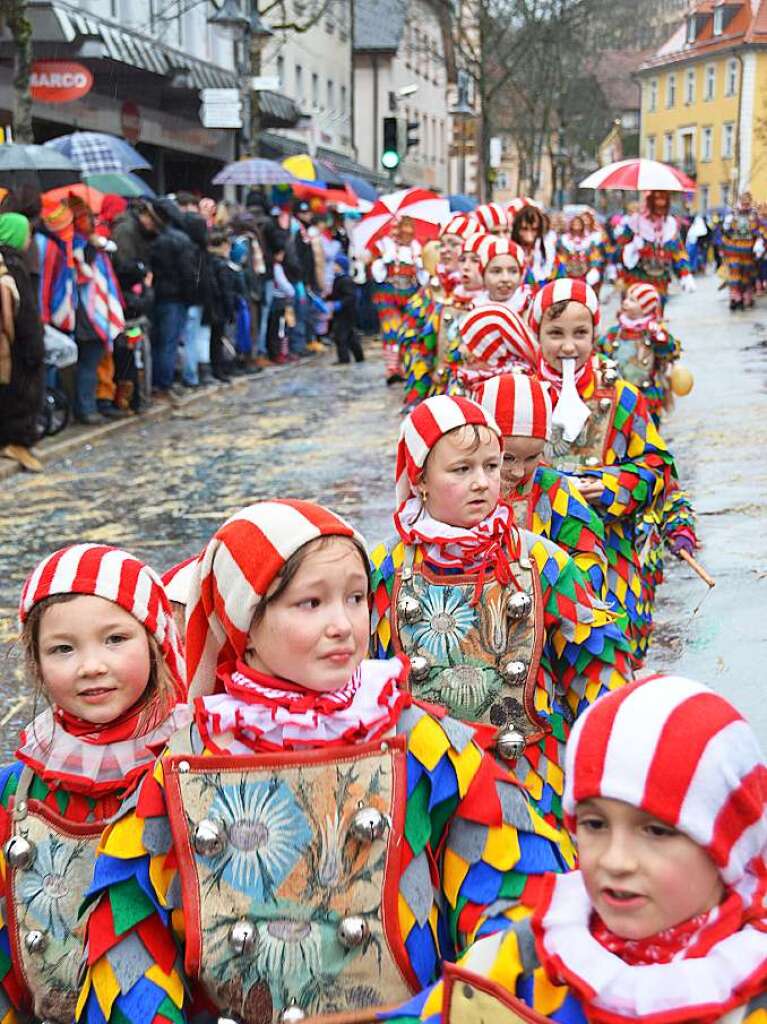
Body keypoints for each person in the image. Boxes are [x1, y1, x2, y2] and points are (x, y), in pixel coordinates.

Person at [76, 499, 569, 1024]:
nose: (343, 624)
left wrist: (458, 1005)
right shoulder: (190, 759)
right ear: (246, 625)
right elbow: (132, 925)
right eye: (310, 604)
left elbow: (509, 886)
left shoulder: (417, 737)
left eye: (355, 597)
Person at [389, 673, 767, 1024]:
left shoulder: (751, 991)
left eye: (656, 831)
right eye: (594, 824)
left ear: (728, 846)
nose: (616, 860)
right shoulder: (523, 959)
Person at [370, 395, 632, 827]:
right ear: (419, 480)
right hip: (424, 788)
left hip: (532, 778)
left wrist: (615, 755)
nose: (483, 482)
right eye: (461, 469)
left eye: (491, 466)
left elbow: (595, 667)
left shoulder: (543, 561)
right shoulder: (383, 568)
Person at [0, 543, 188, 1024]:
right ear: (36, 663)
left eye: (114, 639)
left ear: (154, 642)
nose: (90, 666)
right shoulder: (16, 793)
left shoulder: (189, 769)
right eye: (63, 648)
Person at [529, 279, 675, 665]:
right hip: (535, 557)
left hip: (613, 554)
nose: (568, 346)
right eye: (555, 333)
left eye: (581, 333)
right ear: (536, 333)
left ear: (596, 332)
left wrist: (608, 486)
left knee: (611, 661)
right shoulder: (520, 398)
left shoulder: (622, 396)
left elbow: (658, 468)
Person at [473, 371, 608, 602]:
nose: (518, 471)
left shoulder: (554, 490)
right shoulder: (458, 493)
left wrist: (559, 598)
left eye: (532, 457)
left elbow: (588, 556)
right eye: (508, 458)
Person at [398, 215, 481, 410]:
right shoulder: (432, 289)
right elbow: (410, 334)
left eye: (453, 244)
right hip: (436, 387)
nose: (444, 250)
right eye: (442, 244)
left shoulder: (485, 293)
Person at [71, 201, 126, 424]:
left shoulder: (89, 245)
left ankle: (91, 405)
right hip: (88, 314)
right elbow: (83, 276)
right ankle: (86, 408)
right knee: (89, 363)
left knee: (93, 361)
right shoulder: (80, 247)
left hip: (92, 313)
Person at [597, 282, 681, 425]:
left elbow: (669, 352)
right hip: (620, 391)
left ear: (646, 308)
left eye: (632, 300)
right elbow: (601, 350)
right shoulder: (616, 331)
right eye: (626, 298)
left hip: (646, 392)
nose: (625, 302)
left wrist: (660, 337)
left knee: (649, 427)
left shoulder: (652, 332)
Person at [0, 212, 45, 472]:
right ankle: (17, 442)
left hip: (8, 344)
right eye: (26, 233)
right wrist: (35, 349)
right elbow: (25, 314)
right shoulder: (14, 267)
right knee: (22, 394)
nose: (29, 239)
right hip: (17, 346)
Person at [148, 198, 198, 399]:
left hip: (158, 294)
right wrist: (191, 295)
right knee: (169, 342)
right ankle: (164, 384)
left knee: (159, 342)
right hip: (176, 297)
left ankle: (158, 382)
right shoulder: (180, 240)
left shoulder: (154, 238)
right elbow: (188, 272)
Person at [614, 190, 695, 305]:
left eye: (663, 203)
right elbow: (618, 251)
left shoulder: (670, 225)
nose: (659, 208)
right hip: (636, 278)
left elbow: (679, 252)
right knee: (635, 315)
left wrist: (685, 273)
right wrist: (631, 248)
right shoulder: (636, 222)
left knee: (657, 316)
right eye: (656, 203)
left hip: (660, 280)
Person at [369, 215, 424, 385]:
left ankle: (405, 366)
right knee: (391, 329)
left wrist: (421, 265)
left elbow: (423, 279)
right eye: (402, 228)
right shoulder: (384, 246)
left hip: (410, 293)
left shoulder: (416, 248)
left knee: (409, 330)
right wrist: (386, 259)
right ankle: (392, 368)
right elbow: (377, 276)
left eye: (409, 228)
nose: (406, 232)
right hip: (388, 293)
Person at [448, 301, 538, 393]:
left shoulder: (515, 382)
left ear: (491, 349)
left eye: (471, 344)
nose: (460, 349)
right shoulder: (477, 375)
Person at [722, 192, 763, 311]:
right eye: (743, 203)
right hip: (733, 250)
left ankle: (745, 298)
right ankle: (735, 298)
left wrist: (759, 241)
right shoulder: (732, 215)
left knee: (746, 275)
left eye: (747, 203)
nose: (745, 205)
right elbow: (725, 232)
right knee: (735, 274)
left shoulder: (754, 215)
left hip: (748, 251)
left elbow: (758, 230)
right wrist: (726, 228)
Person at [508, 198, 558, 293]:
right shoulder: (509, 249)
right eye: (524, 229)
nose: (529, 235)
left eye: (534, 229)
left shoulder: (547, 247)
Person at [328, 253, 364, 365]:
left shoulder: (345, 280)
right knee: (350, 336)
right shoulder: (339, 279)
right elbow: (337, 294)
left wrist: (340, 303)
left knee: (340, 336)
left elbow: (350, 296)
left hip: (346, 313)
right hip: (342, 313)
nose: (333, 266)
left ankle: (344, 359)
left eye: (335, 264)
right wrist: (328, 298)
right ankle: (359, 356)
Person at [556, 214, 602, 291]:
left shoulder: (589, 240)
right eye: (574, 223)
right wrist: (562, 269)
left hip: (584, 273)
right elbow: (561, 256)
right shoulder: (564, 240)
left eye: (578, 223)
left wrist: (594, 268)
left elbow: (595, 256)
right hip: (568, 273)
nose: (576, 225)